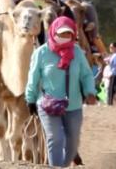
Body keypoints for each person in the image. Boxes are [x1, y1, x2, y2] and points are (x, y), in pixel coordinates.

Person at [25, 16, 96, 167]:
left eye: (68, 34)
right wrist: (30, 100)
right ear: (53, 32)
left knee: (73, 144)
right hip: (49, 105)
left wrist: (90, 91)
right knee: (55, 138)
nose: (65, 37)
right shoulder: (41, 53)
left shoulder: (77, 52)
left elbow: (86, 74)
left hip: (74, 106)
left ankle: (62, 166)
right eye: (62, 33)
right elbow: (33, 78)